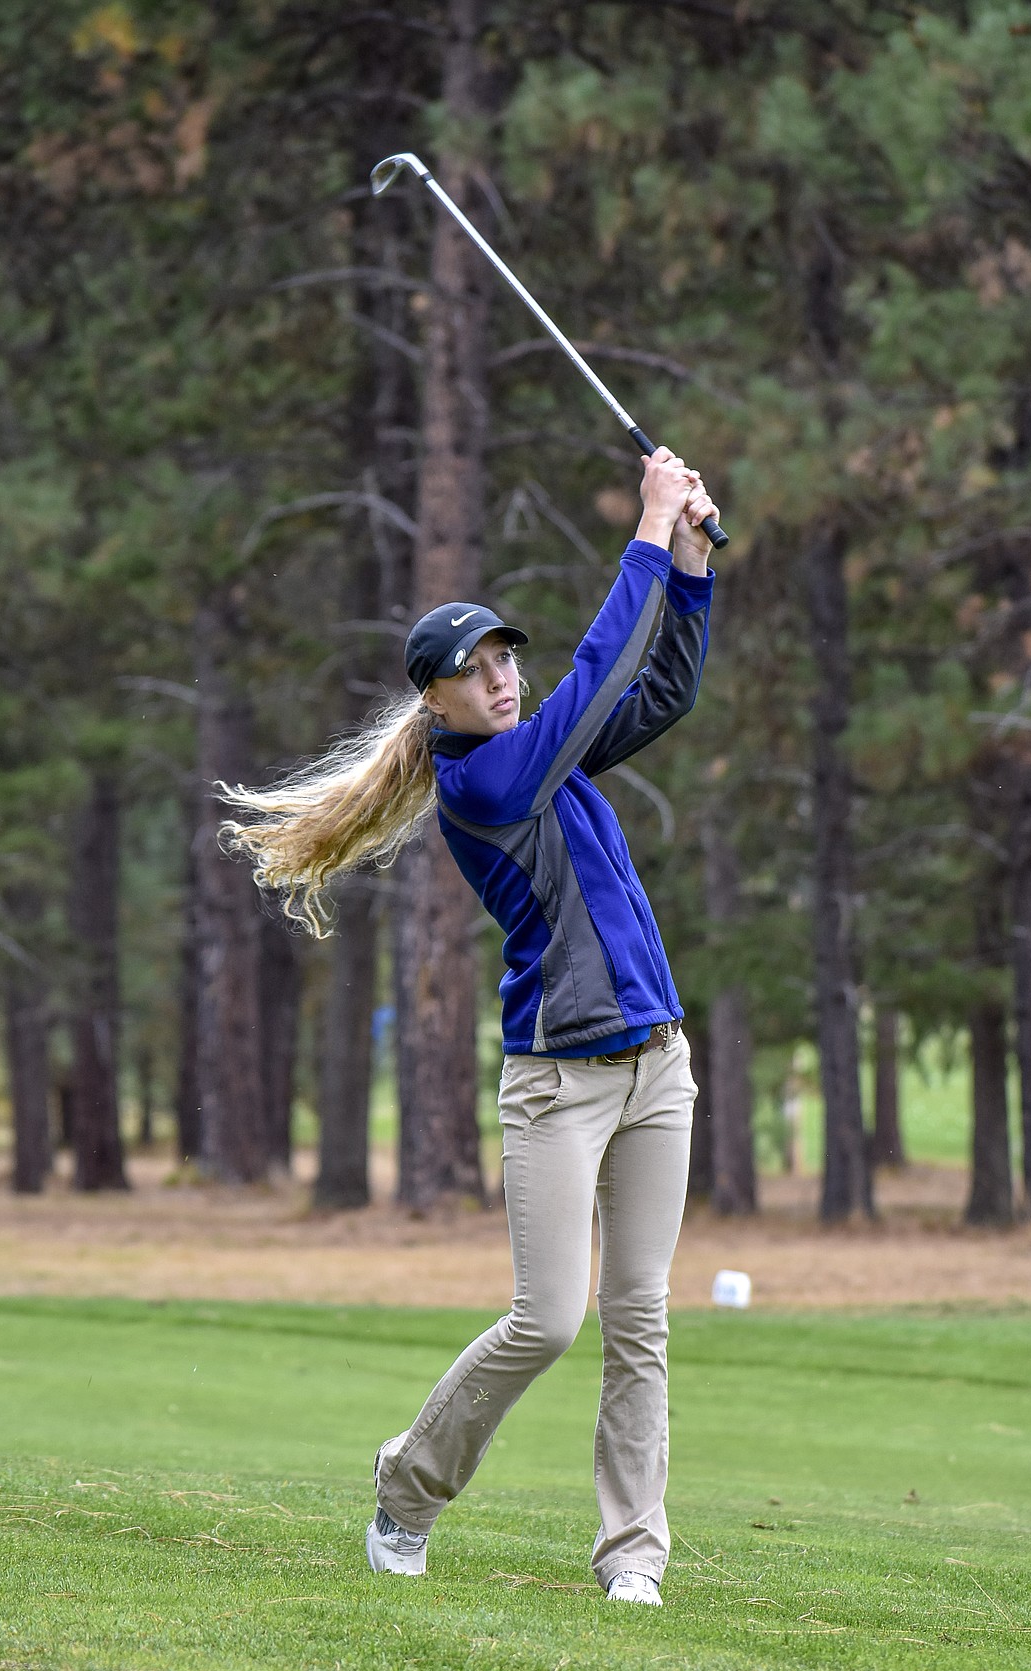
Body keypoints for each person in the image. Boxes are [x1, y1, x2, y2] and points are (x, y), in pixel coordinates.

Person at [221, 448, 719, 1606]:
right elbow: (600, 676)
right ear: (433, 701)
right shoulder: (487, 786)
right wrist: (648, 531)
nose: (500, 677)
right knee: (548, 1320)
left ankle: (633, 1559)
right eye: (474, 669)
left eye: (504, 657)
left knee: (639, 1323)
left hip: (659, 1068)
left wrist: (689, 569)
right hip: (558, 1084)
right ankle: (409, 1485)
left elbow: (659, 693)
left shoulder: (539, 746)